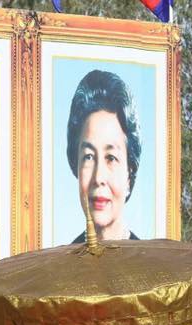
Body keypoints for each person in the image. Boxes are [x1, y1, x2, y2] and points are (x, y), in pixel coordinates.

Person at [66, 70, 143, 244]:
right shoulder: (58, 268)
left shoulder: (155, 269)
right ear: (75, 165)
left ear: (129, 174)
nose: (98, 177)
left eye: (111, 158)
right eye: (88, 157)